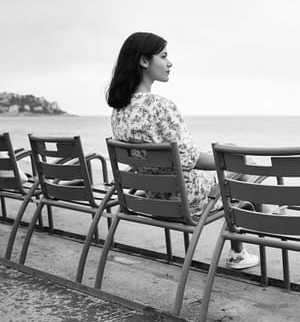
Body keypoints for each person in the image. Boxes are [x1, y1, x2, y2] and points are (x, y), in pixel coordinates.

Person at [105, 31, 258, 270]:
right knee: (240, 163)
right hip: (186, 199)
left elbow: (145, 156)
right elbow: (191, 159)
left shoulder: (119, 110)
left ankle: (255, 227)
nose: (170, 63)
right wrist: (230, 160)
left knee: (230, 152)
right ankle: (242, 247)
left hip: (152, 198)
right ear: (144, 61)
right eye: (163, 56)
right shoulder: (161, 106)